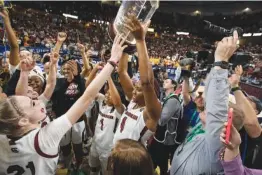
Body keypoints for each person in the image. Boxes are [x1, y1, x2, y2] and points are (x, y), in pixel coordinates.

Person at [0, 34, 126, 175]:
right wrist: (113, 61)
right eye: (32, 103)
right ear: (23, 120)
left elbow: (19, 101)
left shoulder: (5, 133)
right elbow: (87, 97)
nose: (36, 98)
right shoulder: (45, 138)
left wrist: (24, 73)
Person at [170, 31, 243, 175]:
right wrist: (211, 65)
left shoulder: (218, 145)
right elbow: (210, 99)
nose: (208, 106)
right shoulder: (201, 127)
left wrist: (221, 63)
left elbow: (217, 111)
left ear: (226, 128)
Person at [113, 16, 161, 146]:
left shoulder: (152, 113)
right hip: (116, 151)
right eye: (135, 87)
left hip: (132, 161)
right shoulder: (134, 101)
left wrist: (140, 40)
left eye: (139, 90)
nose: (133, 91)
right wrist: (126, 49)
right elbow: (122, 72)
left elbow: (146, 82)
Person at [89, 78, 125, 175]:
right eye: (107, 93)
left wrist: (109, 78)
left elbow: (117, 102)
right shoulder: (102, 101)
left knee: (107, 172)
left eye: (111, 94)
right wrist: (97, 71)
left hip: (108, 148)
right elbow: (89, 89)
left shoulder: (120, 110)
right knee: (93, 166)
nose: (107, 96)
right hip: (96, 142)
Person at [229, 65, 262, 169]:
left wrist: (235, 86)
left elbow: (250, 122)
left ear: (256, 111)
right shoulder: (234, 116)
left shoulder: (256, 127)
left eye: (249, 101)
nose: (244, 101)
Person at [148, 78, 182, 175]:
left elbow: (161, 121)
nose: (164, 82)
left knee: (159, 165)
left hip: (164, 141)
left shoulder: (172, 101)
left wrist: (153, 112)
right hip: (161, 138)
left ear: (173, 86)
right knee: (154, 163)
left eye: (167, 82)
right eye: (164, 81)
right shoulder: (167, 98)